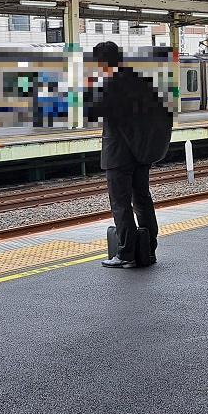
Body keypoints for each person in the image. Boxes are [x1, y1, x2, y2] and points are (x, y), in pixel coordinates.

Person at [87, 41, 173, 269]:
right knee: (142, 199)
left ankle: (126, 254)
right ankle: (148, 249)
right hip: (141, 154)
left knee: (121, 203)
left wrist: (91, 86)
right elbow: (164, 114)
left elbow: (92, 111)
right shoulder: (141, 81)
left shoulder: (112, 84)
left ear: (102, 63)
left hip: (118, 155)